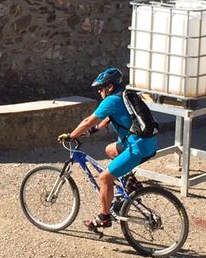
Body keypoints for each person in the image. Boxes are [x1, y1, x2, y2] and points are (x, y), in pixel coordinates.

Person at [59, 67, 159, 233]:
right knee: (110, 150)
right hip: (147, 143)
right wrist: (93, 130)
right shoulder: (123, 95)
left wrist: (71, 135)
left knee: (105, 177)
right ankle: (129, 183)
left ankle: (104, 217)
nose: (99, 92)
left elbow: (87, 121)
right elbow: (108, 118)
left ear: (110, 87)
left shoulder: (110, 101)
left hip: (137, 147)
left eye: (101, 88)